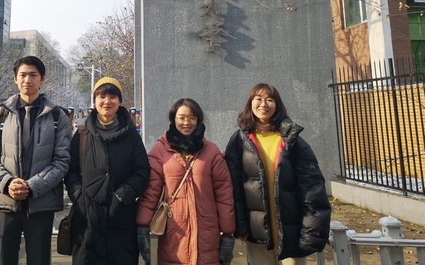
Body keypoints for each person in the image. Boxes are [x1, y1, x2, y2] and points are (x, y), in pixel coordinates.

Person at [224, 83, 331, 265]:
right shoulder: (239, 140)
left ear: (277, 104)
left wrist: (312, 230)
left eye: (269, 99)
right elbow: (233, 187)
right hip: (257, 232)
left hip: (292, 231)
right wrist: (240, 225)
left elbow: (312, 188)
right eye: (258, 99)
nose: (263, 104)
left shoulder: (291, 139)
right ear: (250, 103)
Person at [0, 56, 71, 265]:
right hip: (5, 202)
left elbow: (62, 161)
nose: (27, 80)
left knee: (39, 259)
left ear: (42, 79)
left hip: (41, 203)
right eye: (22, 75)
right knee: (4, 259)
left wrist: (31, 187)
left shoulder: (57, 116)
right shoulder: (2, 114)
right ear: (15, 78)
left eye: (33, 75)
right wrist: (8, 183)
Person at [136, 98, 236, 265]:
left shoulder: (211, 151)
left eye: (191, 118)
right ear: (173, 119)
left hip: (207, 234)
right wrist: (143, 225)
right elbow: (150, 192)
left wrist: (227, 233)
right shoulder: (161, 150)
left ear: (198, 120)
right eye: (181, 117)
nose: (186, 122)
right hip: (174, 233)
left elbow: (224, 194)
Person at [65, 77, 150, 265]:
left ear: (119, 101)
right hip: (87, 221)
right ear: (94, 101)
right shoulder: (82, 135)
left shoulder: (131, 136)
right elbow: (70, 171)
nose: (107, 101)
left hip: (121, 220)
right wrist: (79, 197)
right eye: (101, 96)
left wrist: (123, 194)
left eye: (112, 97)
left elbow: (142, 171)